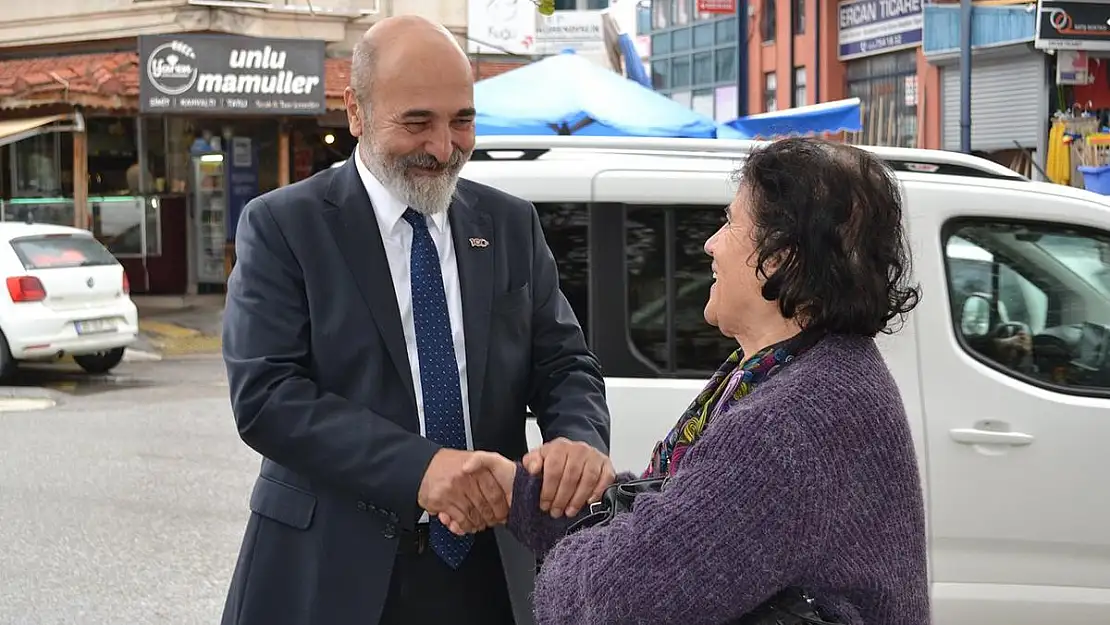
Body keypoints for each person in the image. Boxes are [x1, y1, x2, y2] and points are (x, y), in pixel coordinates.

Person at [219, 16, 614, 625]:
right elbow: (267, 397)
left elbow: (565, 363)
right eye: (417, 122)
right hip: (329, 575)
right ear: (355, 111)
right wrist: (421, 470)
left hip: (492, 573)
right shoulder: (284, 227)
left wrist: (577, 442)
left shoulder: (510, 224)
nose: (443, 146)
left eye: (462, 119)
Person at [451, 138, 931, 624]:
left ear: (780, 257)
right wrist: (522, 495)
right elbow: (674, 516)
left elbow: (610, 603)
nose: (710, 243)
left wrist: (557, 569)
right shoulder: (815, 372)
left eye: (728, 222)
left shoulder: (786, 426)